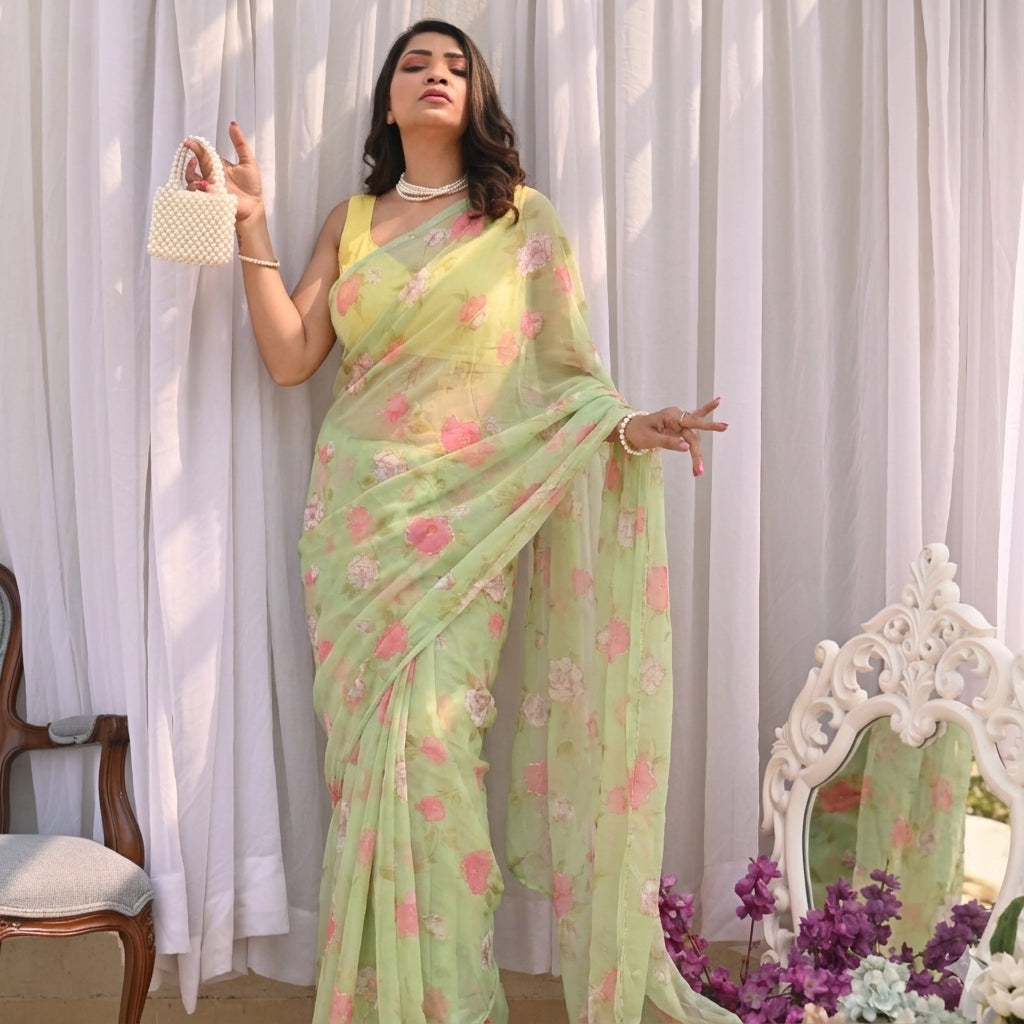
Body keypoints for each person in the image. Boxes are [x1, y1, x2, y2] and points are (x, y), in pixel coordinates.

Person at [185, 19, 731, 1024]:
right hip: (355, 530)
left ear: (477, 100)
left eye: (455, 67)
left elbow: (565, 379)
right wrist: (248, 227)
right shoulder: (350, 222)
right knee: (368, 777)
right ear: (389, 104)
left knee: (433, 752)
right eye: (413, 65)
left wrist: (631, 426)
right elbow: (293, 355)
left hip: (465, 536)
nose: (435, 76)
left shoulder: (521, 222)